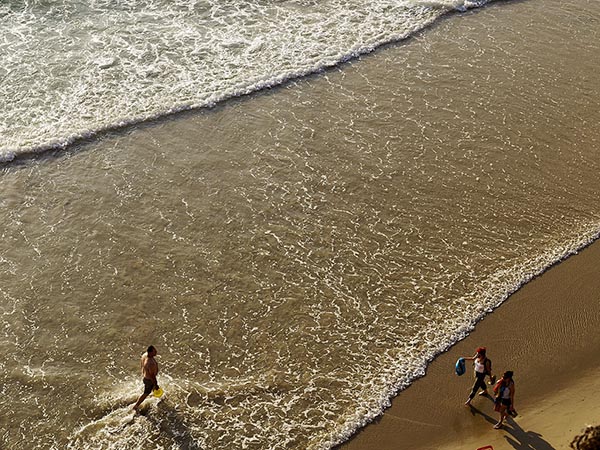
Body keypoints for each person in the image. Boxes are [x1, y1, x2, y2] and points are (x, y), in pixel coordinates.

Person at [133, 345, 159, 413]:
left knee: (150, 390)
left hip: (145, 376)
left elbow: (142, 365)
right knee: (146, 393)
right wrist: (156, 384)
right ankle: (136, 406)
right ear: (150, 352)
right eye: (154, 351)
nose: (156, 352)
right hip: (149, 380)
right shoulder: (150, 363)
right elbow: (152, 376)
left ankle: (155, 397)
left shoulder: (145, 355)